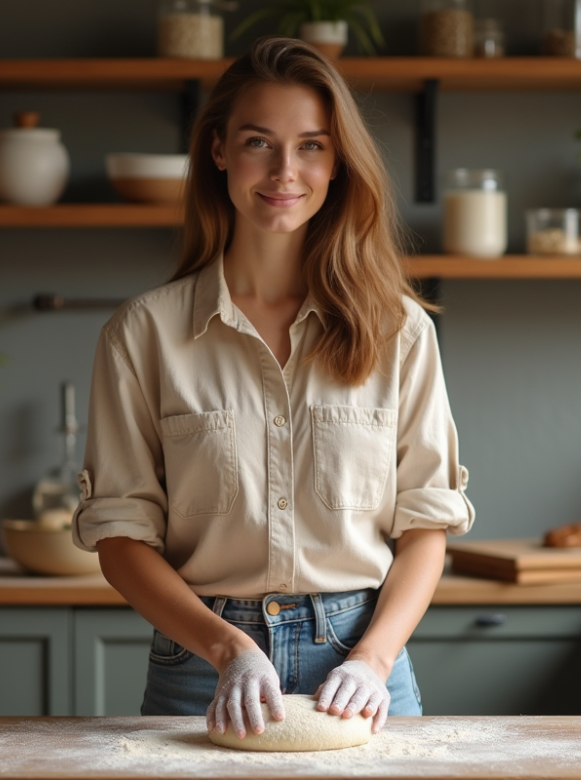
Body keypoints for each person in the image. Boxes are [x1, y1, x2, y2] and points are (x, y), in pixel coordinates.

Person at [72, 35, 474, 740]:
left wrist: (373, 661)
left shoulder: (399, 331)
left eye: (312, 146)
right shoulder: (143, 335)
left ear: (338, 160)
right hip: (202, 661)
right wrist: (229, 649)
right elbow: (121, 540)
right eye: (260, 142)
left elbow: (426, 527)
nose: (286, 171)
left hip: (363, 662)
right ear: (219, 150)